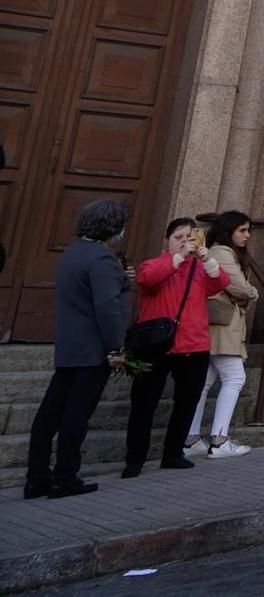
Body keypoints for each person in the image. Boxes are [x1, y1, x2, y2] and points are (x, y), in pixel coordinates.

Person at [24, 200, 129, 499]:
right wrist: (116, 348)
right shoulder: (102, 259)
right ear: (112, 227)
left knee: (49, 414)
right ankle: (65, 476)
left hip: (69, 346)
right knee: (75, 416)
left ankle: (37, 477)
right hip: (92, 349)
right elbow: (107, 307)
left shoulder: (72, 253)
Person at [123, 218, 232, 477]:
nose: (185, 242)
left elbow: (221, 283)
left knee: (186, 402)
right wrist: (178, 258)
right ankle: (134, 459)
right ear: (168, 241)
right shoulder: (155, 263)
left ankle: (172, 454)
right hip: (156, 345)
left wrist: (207, 259)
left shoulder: (198, 268)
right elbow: (148, 279)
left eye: (189, 237)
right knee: (143, 404)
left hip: (193, 344)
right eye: (178, 237)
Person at [187, 212, 258, 459]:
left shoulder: (221, 252)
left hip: (218, 322)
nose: (247, 235)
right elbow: (237, 286)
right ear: (228, 231)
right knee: (235, 377)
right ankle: (219, 439)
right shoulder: (222, 253)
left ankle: (191, 438)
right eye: (242, 230)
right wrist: (252, 293)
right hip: (223, 323)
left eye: (248, 230)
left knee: (205, 381)